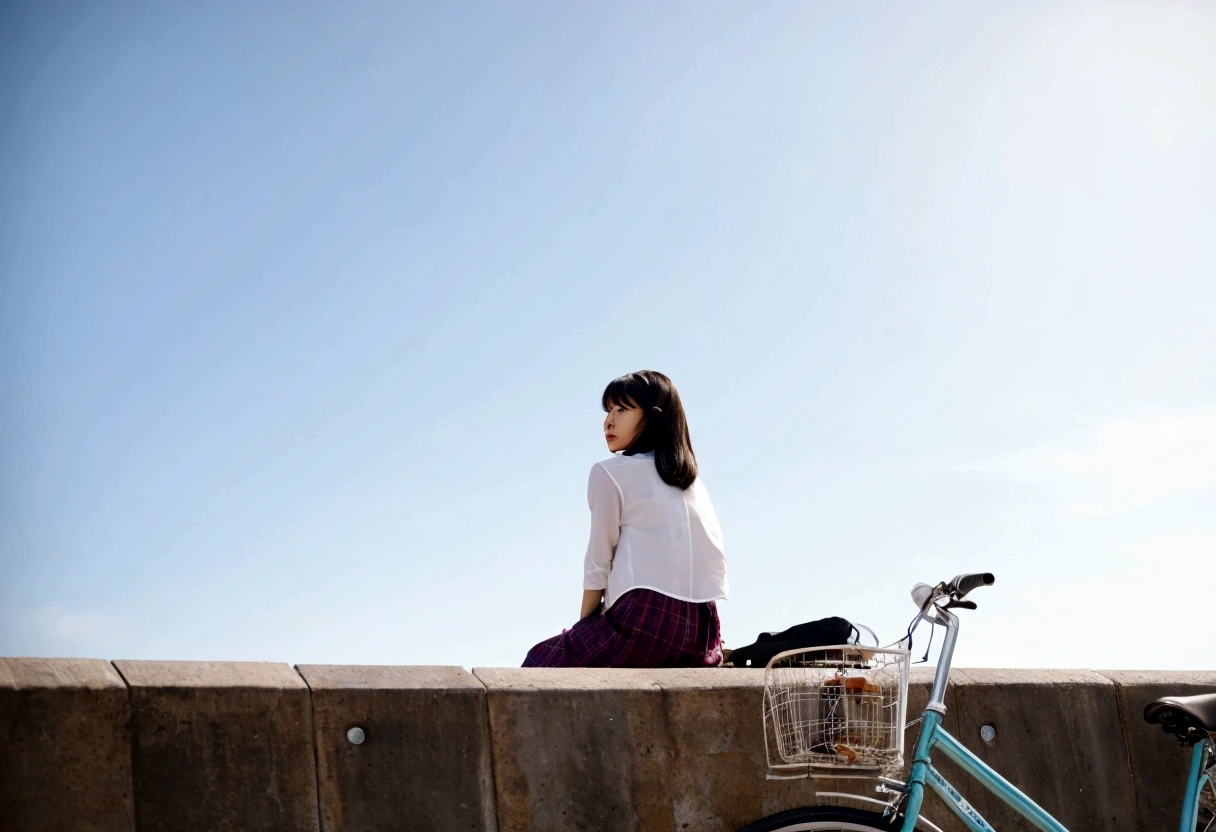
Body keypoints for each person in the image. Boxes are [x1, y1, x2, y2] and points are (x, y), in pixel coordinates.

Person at [522, 370, 728, 668]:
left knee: (539, 663)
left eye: (622, 409)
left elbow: (598, 561)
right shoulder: (692, 482)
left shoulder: (610, 473)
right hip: (701, 635)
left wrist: (583, 628)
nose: (608, 421)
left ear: (654, 417)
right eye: (608, 410)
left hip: (645, 623)